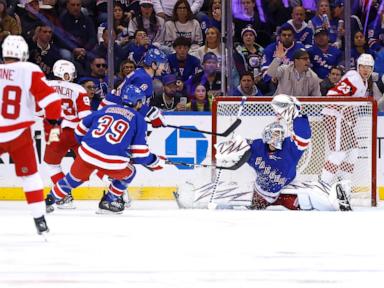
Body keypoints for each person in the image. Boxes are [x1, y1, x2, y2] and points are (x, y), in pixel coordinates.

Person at [175, 94, 352, 211]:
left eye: (280, 134)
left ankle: (337, 202)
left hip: (288, 188)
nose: (277, 137)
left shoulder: (289, 148)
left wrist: (297, 116)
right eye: (273, 134)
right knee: (230, 198)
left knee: (312, 196)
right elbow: (228, 150)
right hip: (261, 193)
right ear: (265, 136)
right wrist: (226, 149)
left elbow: (303, 137)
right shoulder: (256, 147)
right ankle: (192, 195)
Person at [45, 85, 166, 214]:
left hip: (87, 154)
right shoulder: (139, 119)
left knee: (71, 180)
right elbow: (140, 155)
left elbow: (80, 129)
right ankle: (109, 200)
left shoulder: (106, 109)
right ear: (138, 102)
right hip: (112, 162)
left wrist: (89, 145)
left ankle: (48, 200)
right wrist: (156, 161)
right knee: (130, 172)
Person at [0, 35, 62, 234]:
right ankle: (39, 220)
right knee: (30, 177)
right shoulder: (29, 70)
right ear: (23, 53)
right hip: (19, 133)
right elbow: (52, 102)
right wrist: (53, 123)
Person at [320, 53, 383, 187]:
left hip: (341, 116)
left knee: (353, 150)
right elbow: (335, 96)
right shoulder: (354, 78)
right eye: (363, 67)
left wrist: (349, 116)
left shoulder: (364, 83)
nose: (366, 70)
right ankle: (323, 183)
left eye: (369, 67)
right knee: (339, 152)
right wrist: (347, 112)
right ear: (358, 67)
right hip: (334, 113)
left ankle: (343, 183)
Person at [43, 60, 91, 208]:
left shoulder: (45, 86)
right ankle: (117, 193)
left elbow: (38, 111)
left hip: (55, 132)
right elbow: (86, 115)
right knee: (94, 162)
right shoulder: (79, 89)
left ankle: (64, 197)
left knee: (51, 164)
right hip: (77, 131)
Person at [100, 47, 169, 129]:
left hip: (111, 108)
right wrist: (152, 114)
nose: (164, 68)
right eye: (162, 65)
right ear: (154, 65)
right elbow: (131, 101)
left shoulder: (140, 72)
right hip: (112, 110)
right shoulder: (144, 79)